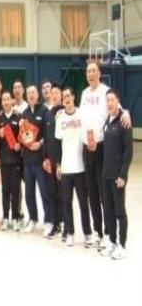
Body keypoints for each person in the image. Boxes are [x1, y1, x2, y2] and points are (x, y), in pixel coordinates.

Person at [80, 60, 131, 250]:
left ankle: (109, 234)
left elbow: (118, 109)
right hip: (87, 148)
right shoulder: (84, 94)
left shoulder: (105, 91)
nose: (91, 74)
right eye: (88, 71)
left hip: (102, 148)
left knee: (104, 194)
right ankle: (98, 232)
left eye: (94, 71)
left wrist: (127, 112)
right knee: (92, 193)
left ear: (99, 73)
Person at [55, 87, 93, 248]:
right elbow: (57, 143)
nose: (67, 98)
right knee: (66, 203)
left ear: (74, 97)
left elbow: (89, 135)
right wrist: (58, 164)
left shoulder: (81, 115)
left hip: (81, 168)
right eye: (64, 96)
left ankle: (88, 233)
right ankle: (70, 232)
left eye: (69, 95)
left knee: (83, 203)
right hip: (66, 168)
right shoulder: (60, 118)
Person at [100, 89, 133, 260]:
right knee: (108, 210)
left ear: (117, 101)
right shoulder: (107, 120)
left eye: (112, 100)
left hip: (117, 176)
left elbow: (128, 151)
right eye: (107, 100)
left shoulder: (124, 121)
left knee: (120, 211)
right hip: (106, 175)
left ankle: (122, 245)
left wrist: (123, 175)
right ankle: (112, 242)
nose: (109, 103)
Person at [20, 85, 50, 234]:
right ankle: (32, 219)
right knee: (29, 193)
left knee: (44, 192)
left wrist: (40, 143)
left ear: (38, 95)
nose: (31, 95)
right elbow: (22, 136)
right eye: (28, 93)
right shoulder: (24, 114)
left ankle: (48, 221)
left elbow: (48, 134)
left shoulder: (44, 111)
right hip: (27, 161)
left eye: (33, 92)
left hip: (40, 161)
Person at [0, 90, 22, 231]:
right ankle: (6, 217)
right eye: (4, 100)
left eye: (8, 99)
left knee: (15, 190)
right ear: (2, 103)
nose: (6, 102)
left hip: (16, 161)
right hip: (4, 161)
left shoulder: (18, 118)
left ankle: (15, 218)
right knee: (5, 190)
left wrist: (20, 144)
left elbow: (24, 136)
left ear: (12, 101)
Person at [42, 83, 64, 239]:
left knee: (63, 196)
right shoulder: (48, 114)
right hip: (50, 162)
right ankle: (56, 225)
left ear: (61, 95)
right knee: (53, 194)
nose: (54, 95)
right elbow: (46, 138)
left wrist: (61, 163)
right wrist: (45, 158)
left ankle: (66, 226)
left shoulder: (66, 112)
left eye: (57, 93)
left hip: (63, 163)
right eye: (52, 93)